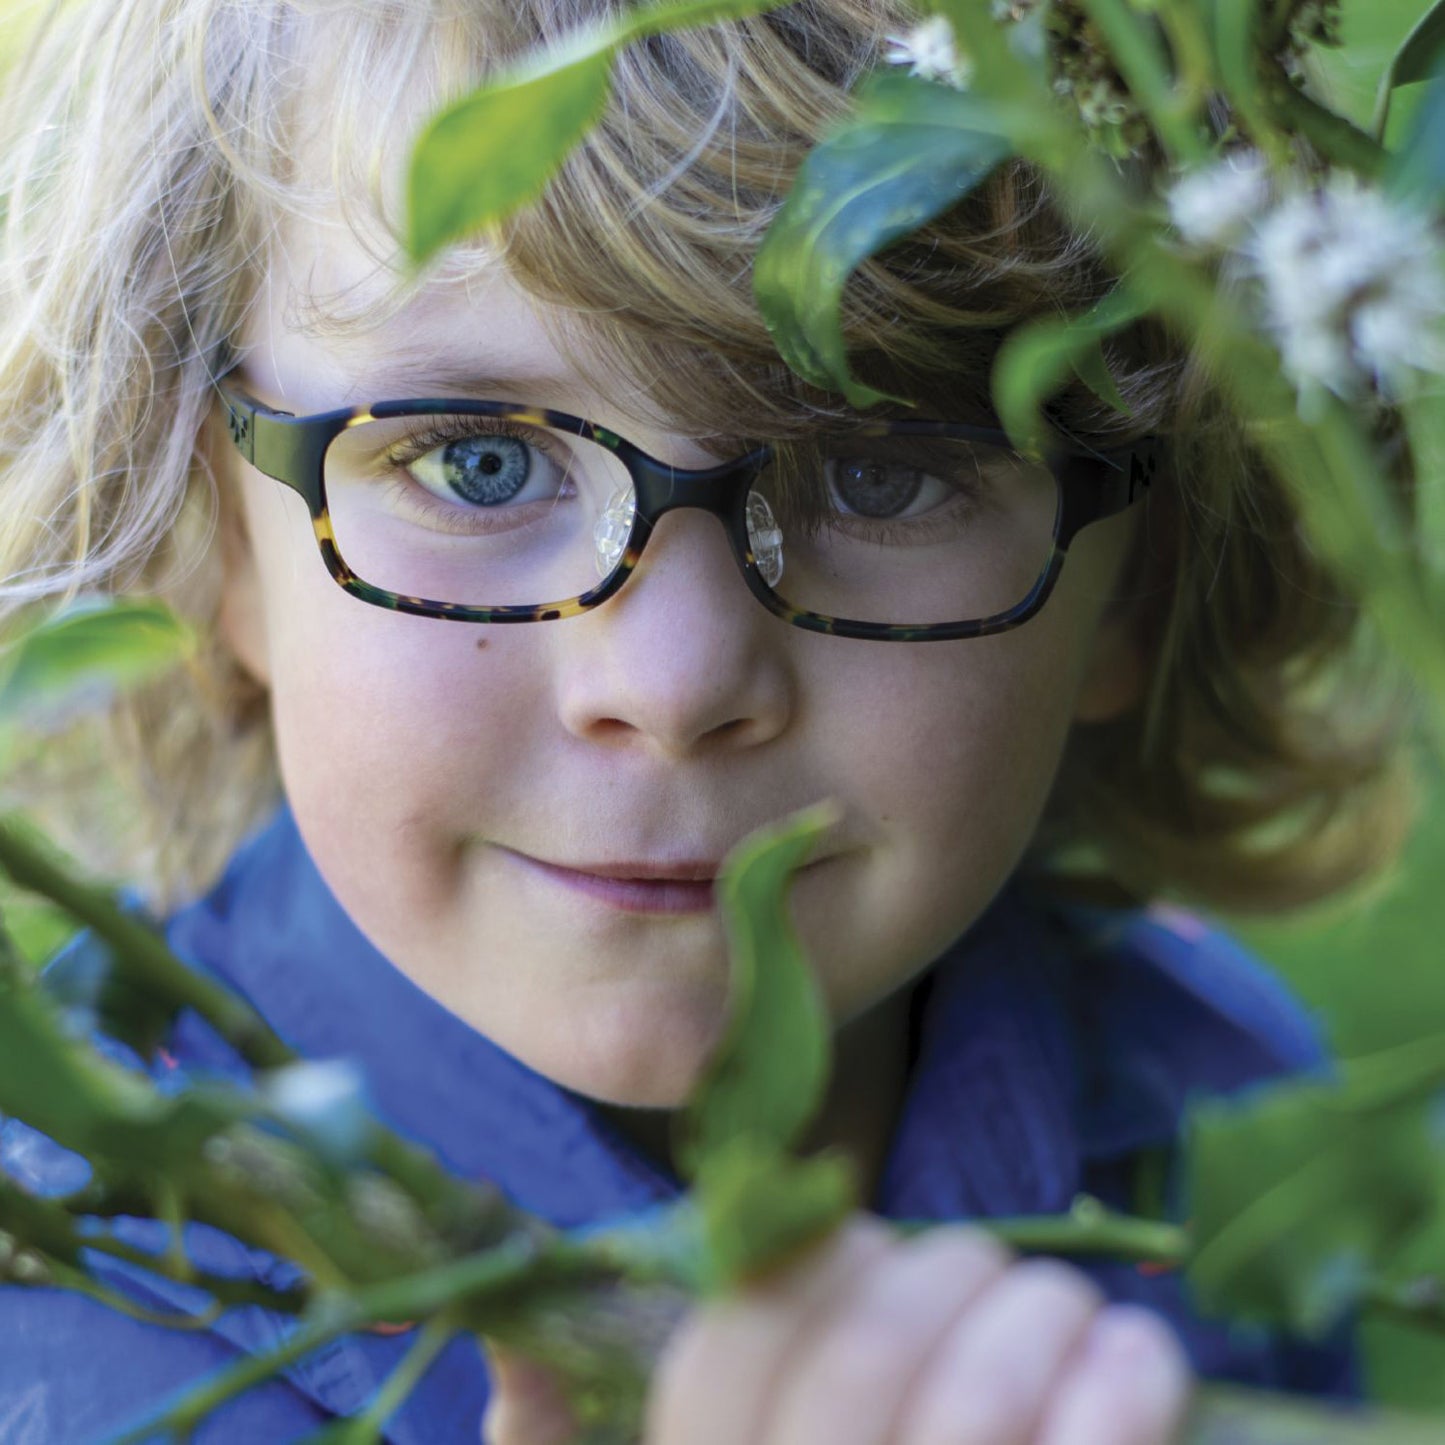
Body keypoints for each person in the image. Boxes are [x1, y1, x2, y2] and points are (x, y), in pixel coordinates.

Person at [0, 0, 1415, 1441]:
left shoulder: (1214, 1125)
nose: (670, 686)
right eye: (479, 464)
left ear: (1133, 582)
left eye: (878, 472)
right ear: (212, 536)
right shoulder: (71, 1324)